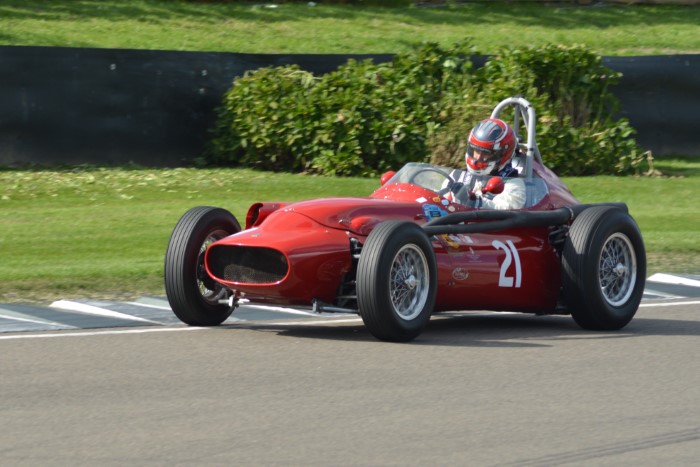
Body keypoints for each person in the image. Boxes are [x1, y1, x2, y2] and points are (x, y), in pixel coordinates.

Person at [450, 118, 527, 210]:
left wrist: (472, 201)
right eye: (476, 150)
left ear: (503, 154)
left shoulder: (513, 184)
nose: (478, 158)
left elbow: (503, 210)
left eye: (486, 153)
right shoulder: (457, 175)